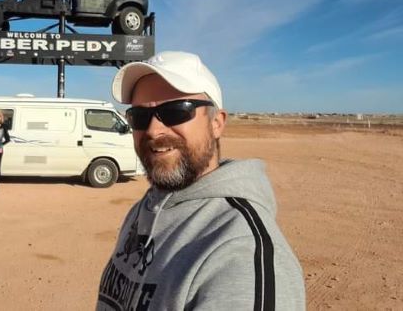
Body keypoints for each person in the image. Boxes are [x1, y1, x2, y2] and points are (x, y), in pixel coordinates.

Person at [96, 51, 305, 310]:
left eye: (175, 112)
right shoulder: (146, 208)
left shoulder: (240, 253)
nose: (152, 130)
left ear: (217, 123)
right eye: (139, 116)